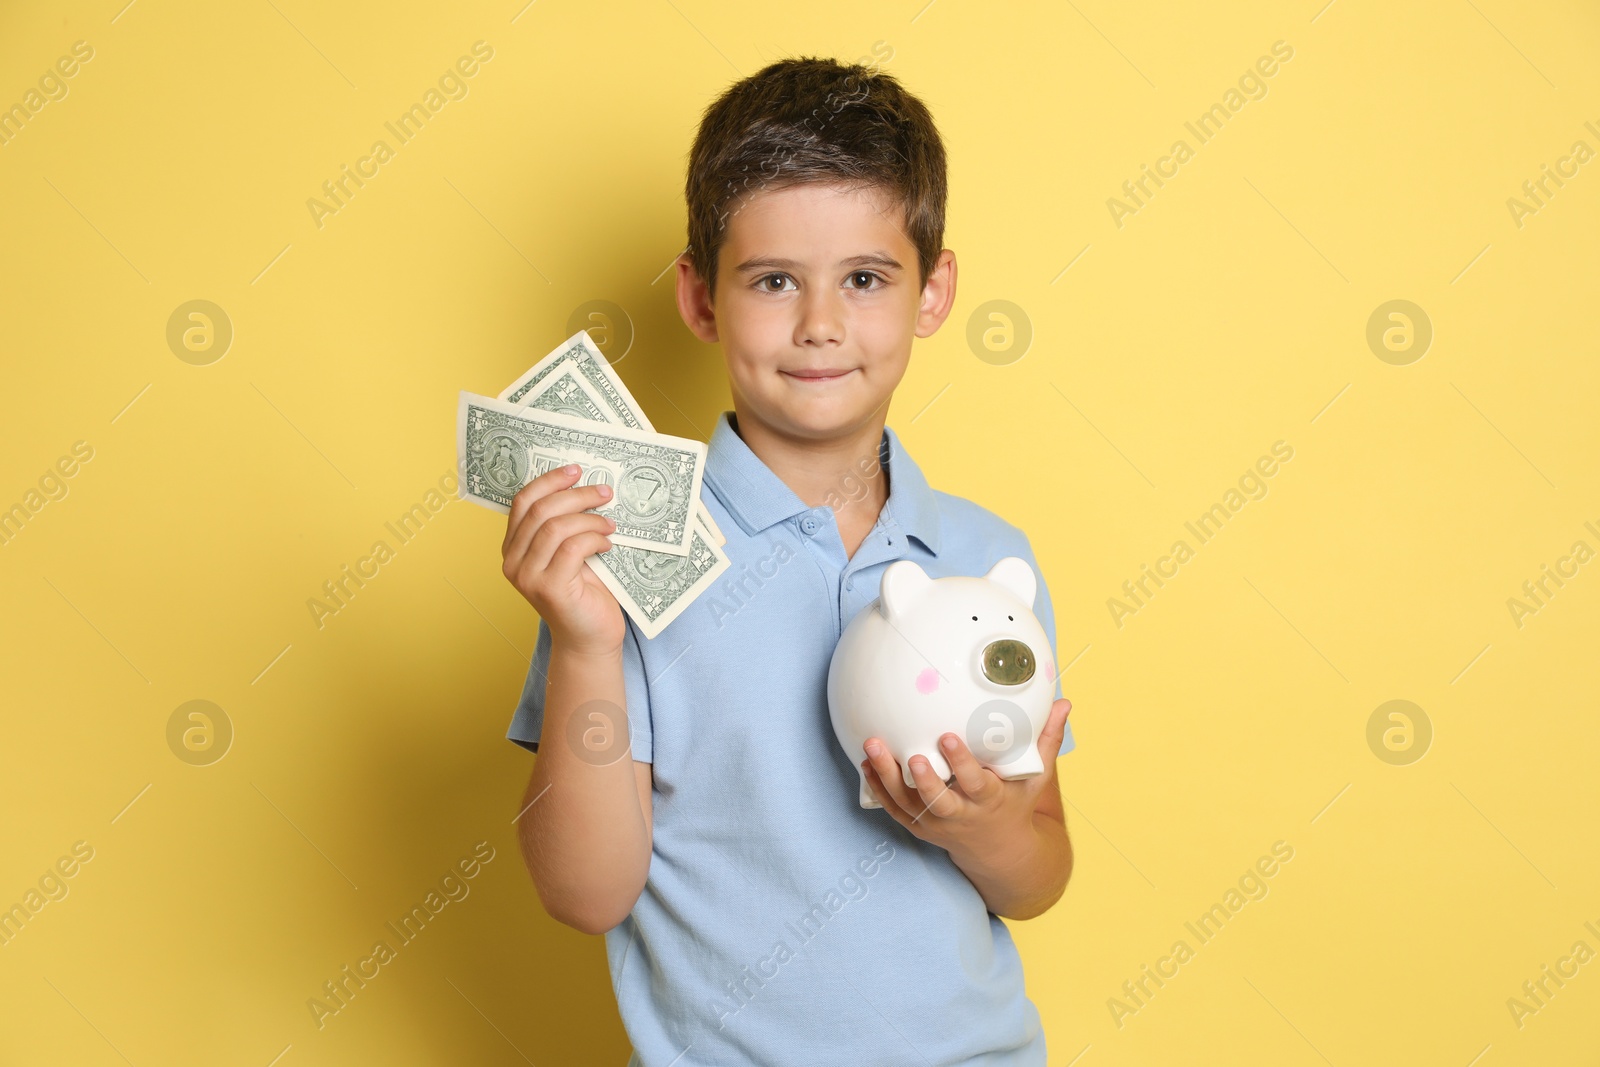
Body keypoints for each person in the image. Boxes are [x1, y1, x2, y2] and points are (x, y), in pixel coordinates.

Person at [500, 55, 1077, 1065]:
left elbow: (1037, 876)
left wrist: (984, 828)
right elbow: (584, 893)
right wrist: (585, 642)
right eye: (774, 281)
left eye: (864, 278)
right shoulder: (625, 557)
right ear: (700, 298)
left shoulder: (989, 558)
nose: (819, 324)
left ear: (933, 291)